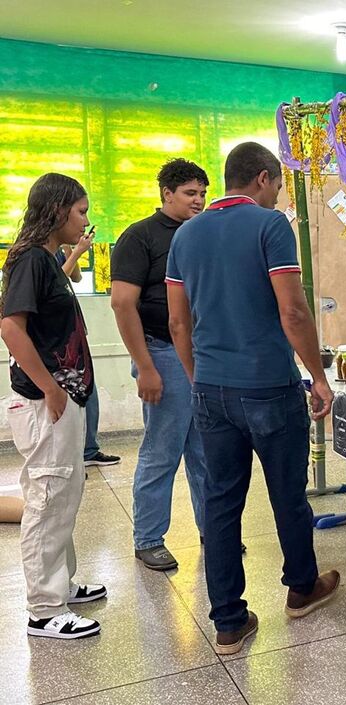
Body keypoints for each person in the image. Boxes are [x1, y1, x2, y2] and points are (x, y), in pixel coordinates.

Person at [166, 142, 338, 656]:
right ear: (263, 178)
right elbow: (294, 313)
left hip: (212, 391)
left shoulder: (186, 235)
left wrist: (201, 378)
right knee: (287, 493)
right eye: (279, 184)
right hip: (269, 386)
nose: (279, 193)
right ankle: (302, 589)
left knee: (220, 504)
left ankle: (228, 623)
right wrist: (319, 377)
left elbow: (178, 321)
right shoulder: (270, 225)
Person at [0, 173, 107, 640]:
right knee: (46, 498)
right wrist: (50, 388)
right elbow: (10, 328)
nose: (84, 219)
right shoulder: (27, 259)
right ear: (57, 210)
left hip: (63, 397)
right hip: (46, 401)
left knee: (64, 495)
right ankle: (44, 608)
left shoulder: (46, 260)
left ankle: (60, 585)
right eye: (80, 210)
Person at [111, 158, 219, 571]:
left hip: (203, 353)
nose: (198, 200)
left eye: (203, 193)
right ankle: (149, 538)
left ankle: (214, 531)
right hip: (162, 352)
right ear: (166, 194)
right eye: (190, 193)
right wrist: (147, 367)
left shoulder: (203, 234)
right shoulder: (140, 237)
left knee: (206, 451)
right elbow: (123, 303)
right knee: (163, 450)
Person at [54, 239, 122, 469]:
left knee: (88, 390)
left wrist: (70, 251)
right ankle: (70, 458)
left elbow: (76, 278)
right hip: (55, 339)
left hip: (73, 331)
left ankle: (88, 450)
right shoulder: (34, 255)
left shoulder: (60, 250)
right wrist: (79, 252)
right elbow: (55, 282)